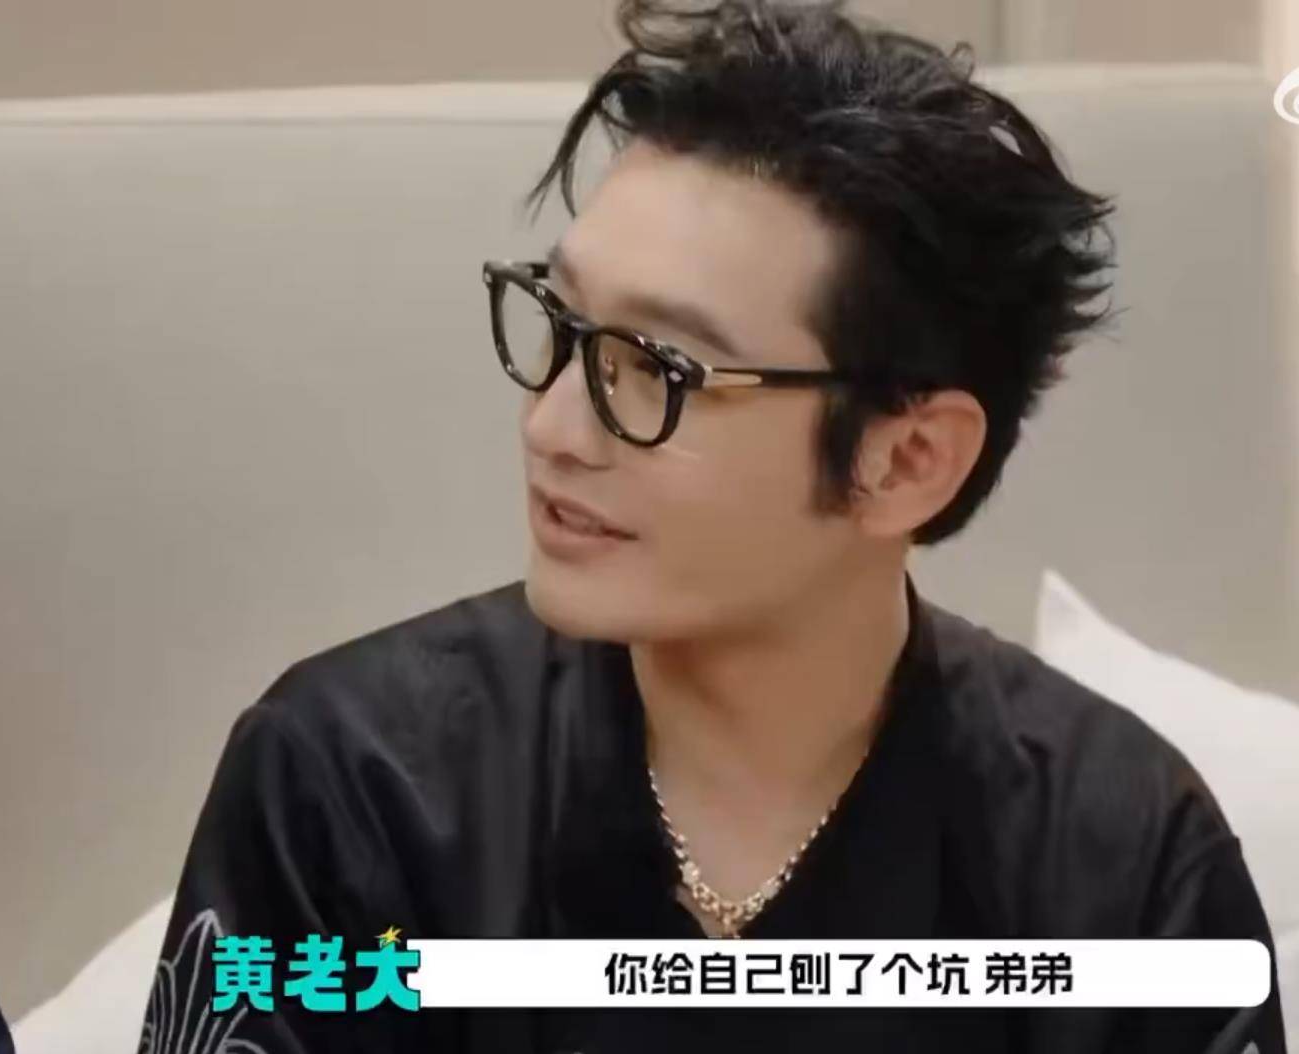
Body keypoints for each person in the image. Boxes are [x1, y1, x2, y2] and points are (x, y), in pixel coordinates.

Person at [138, 1, 1288, 1050]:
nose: (551, 426)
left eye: (654, 368)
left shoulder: (1119, 863)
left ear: (905, 461)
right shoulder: (355, 786)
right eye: (561, 325)